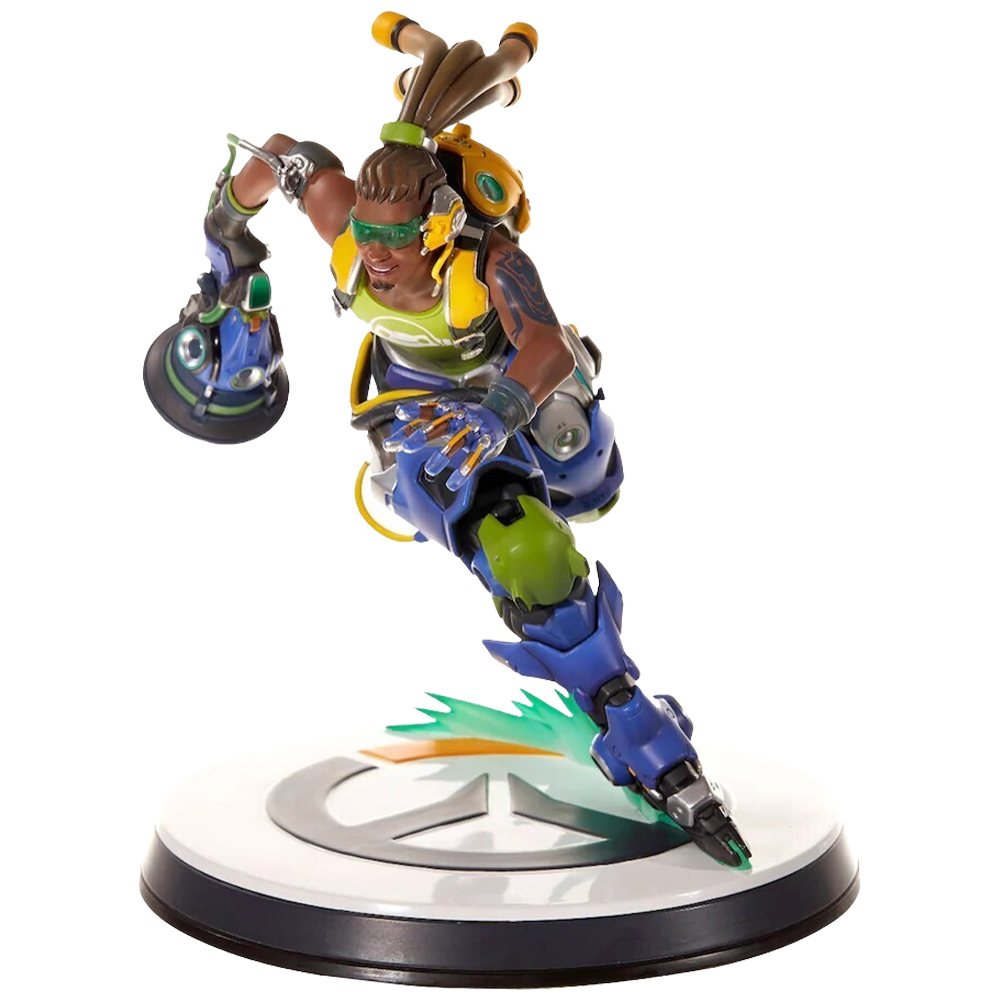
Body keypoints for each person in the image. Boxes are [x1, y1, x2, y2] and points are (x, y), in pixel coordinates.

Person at [143, 13, 751, 867]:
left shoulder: (490, 264)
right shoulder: (347, 229)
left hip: (517, 388)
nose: (377, 258)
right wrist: (226, 228)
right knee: (526, 551)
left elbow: (545, 346)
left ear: (435, 224)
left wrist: (499, 411)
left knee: (589, 471)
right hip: (420, 408)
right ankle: (633, 729)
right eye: (369, 235)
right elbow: (282, 153)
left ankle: (556, 491)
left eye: (396, 241)